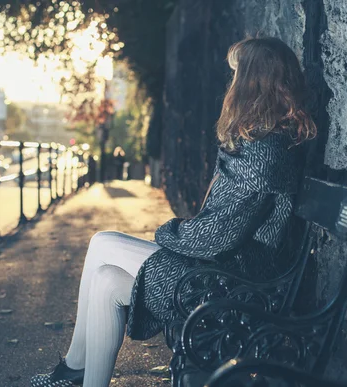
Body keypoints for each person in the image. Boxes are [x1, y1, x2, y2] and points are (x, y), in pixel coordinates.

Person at [30, 36, 316, 387]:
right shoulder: (264, 141)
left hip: (233, 278)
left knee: (104, 246)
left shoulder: (265, 151)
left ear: (251, 82)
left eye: (237, 74)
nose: (231, 84)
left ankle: (74, 370)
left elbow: (218, 235)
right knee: (106, 273)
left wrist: (168, 233)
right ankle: (77, 372)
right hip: (223, 267)